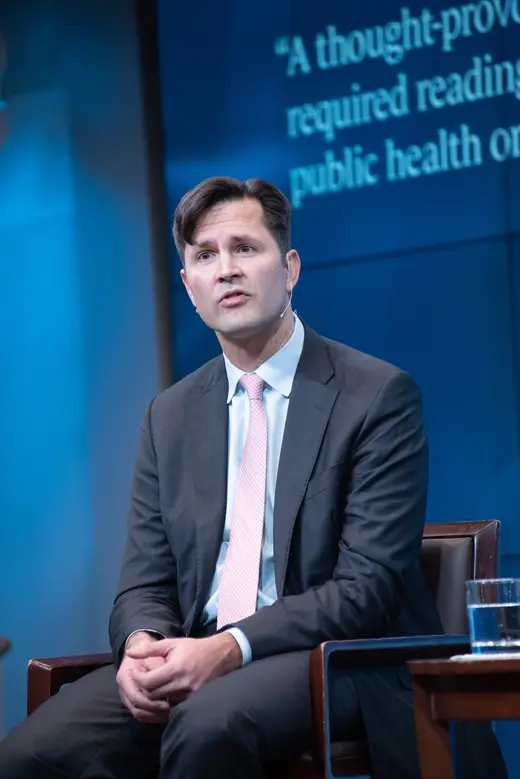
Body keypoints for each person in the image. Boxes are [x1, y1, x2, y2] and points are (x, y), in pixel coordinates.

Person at [0, 177, 507, 779]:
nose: (226, 270)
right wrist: (141, 644)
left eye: (246, 248)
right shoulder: (170, 415)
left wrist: (227, 648)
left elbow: (365, 590)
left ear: (289, 267)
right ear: (188, 286)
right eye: (204, 256)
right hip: (196, 652)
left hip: (331, 660)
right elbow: (145, 581)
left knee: (208, 723)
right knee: (29, 756)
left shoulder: (375, 396)